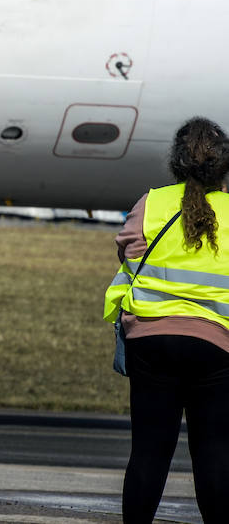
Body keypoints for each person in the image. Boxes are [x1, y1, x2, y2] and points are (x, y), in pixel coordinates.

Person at [104, 117, 229, 524]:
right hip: (217, 346)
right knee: (213, 455)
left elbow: (127, 252)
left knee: (148, 453)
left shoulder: (152, 203)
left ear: (175, 162)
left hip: (152, 340)